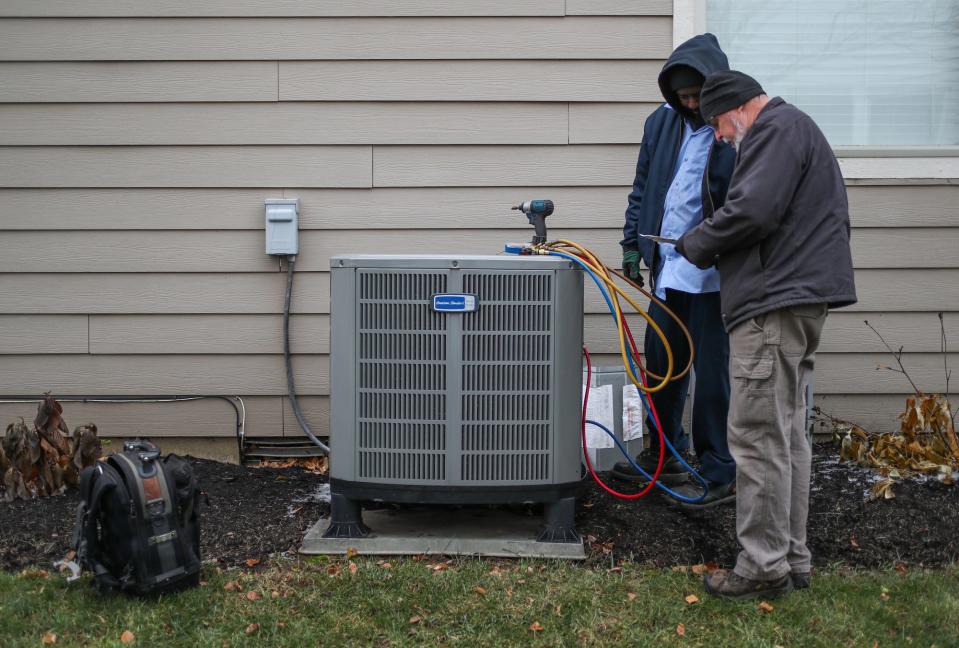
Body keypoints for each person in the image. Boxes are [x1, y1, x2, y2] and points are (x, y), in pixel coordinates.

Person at [675, 70, 857, 599]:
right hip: (799, 300)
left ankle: (761, 566)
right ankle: (791, 558)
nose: (722, 138)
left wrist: (697, 242)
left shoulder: (775, 129)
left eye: (718, 126)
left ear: (735, 109)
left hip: (771, 305)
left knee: (756, 438)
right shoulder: (798, 129)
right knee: (787, 435)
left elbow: (753, 210)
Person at [613, 33, 738, 509]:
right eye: (682, 95)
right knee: (661, 364)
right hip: (667, 270)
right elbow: (642, 187)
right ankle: (664, 453)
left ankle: (716, 470)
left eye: (696, 95)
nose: (689, 102)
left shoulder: (732, 128)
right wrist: (632, 242)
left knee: (711, 377)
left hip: (714, 275)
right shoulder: (661, 124)